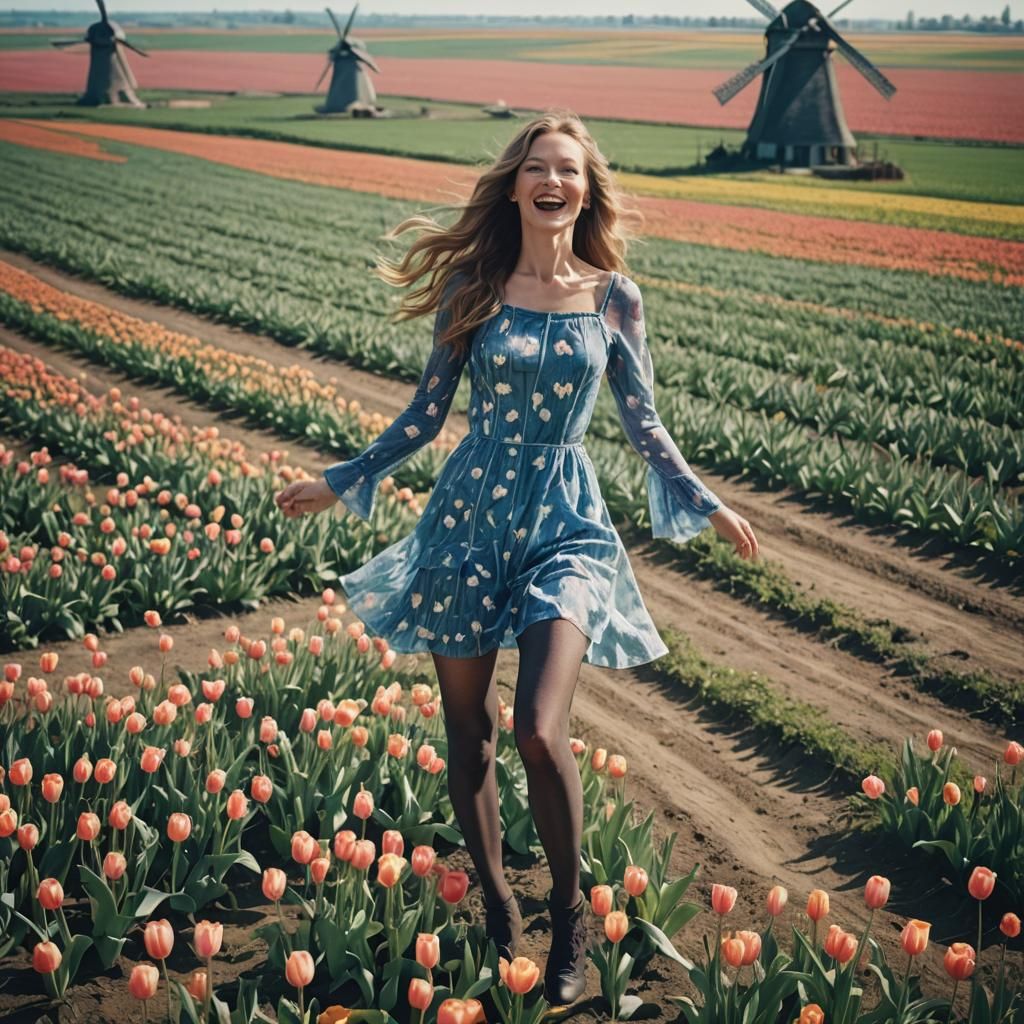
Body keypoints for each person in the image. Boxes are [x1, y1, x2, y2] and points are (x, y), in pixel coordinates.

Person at [274, 108, 759, 1007]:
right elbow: (426, 415)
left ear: (586, 188)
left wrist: (707, 499)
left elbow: (643, 421)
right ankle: (498, 901)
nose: (553, 181)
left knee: (539, 726)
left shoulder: (615, 296)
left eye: (569, 169)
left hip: (567, 521)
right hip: (469, 519)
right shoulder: (475, 284)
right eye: (538, 166)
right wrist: (344, 478)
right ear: (515, 185)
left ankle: (569, 922)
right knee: (470, 736)